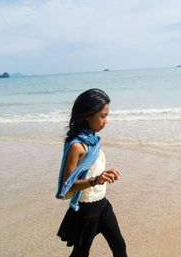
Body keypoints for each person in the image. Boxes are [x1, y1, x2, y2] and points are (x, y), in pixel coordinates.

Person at [55, 88, 127, 257]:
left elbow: (93, 170)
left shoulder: (93, 139)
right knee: (81, 253)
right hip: (86, 211)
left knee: (119, 247)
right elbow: (69, 185)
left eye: (107, 116)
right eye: (102, 116)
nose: (106, 121)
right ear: (87, 115)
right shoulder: (76, 146)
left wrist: (103, 175)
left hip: (102, 205)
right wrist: (97, 180)